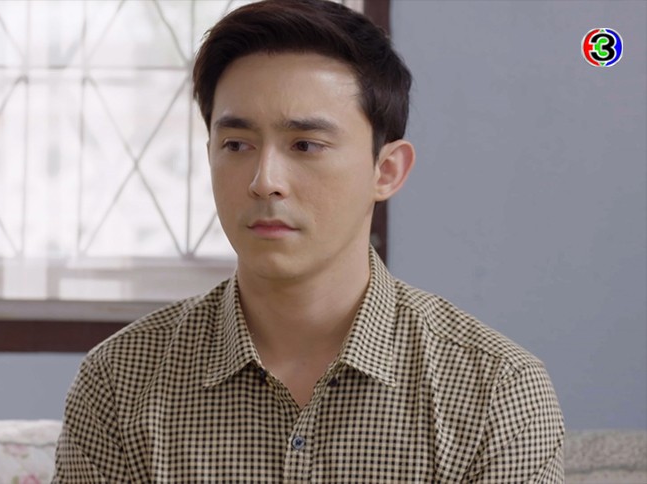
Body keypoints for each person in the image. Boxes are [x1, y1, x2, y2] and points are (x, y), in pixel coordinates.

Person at [53, 0, 565, 481]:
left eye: (305, 145)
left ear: (386, 170)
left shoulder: (496, 390)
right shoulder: (120, 380)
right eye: (236, 145)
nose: (264, 181)